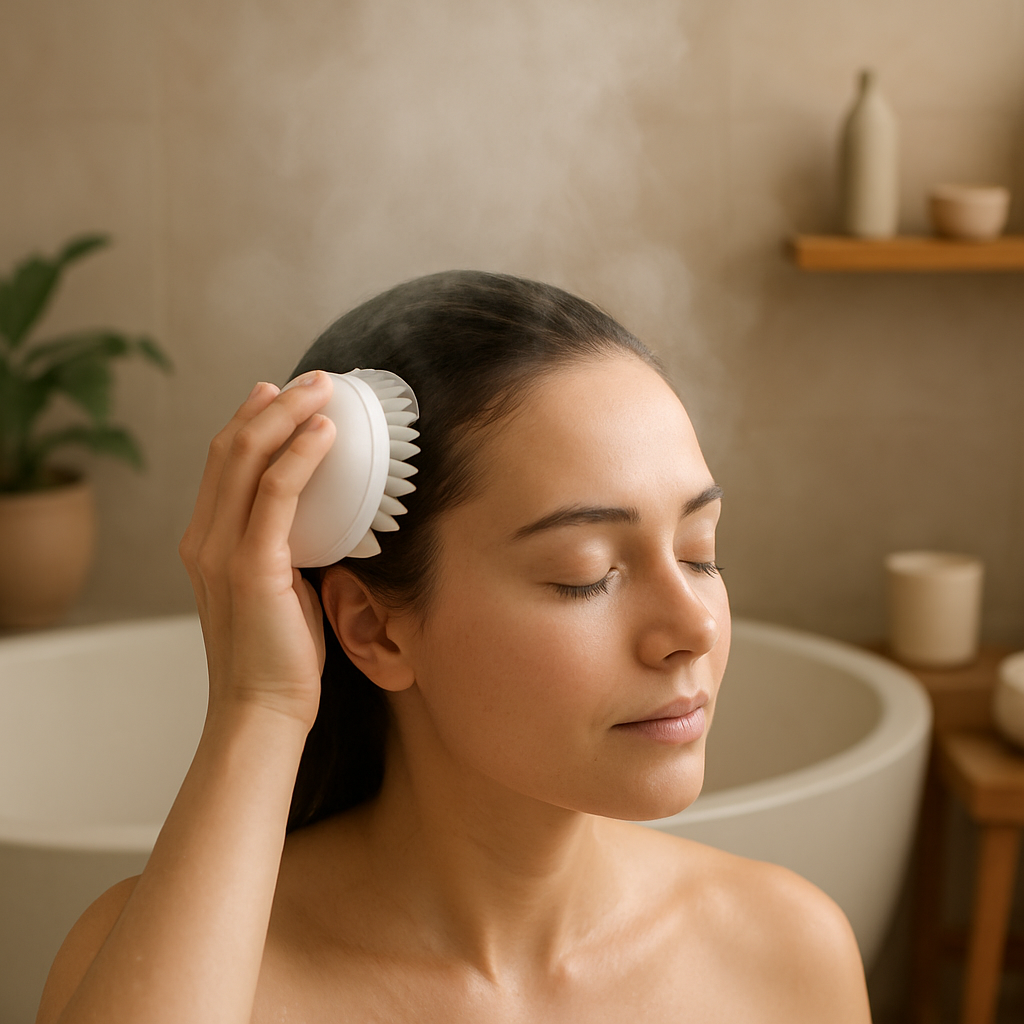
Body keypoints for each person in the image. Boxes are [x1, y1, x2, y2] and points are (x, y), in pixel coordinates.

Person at [36, 272, 871, 1023]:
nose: (694, 628)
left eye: (700, 552)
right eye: (586, 575)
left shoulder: (785, 954)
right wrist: (259, 706)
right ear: (373, 627)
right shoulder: (175, 969)